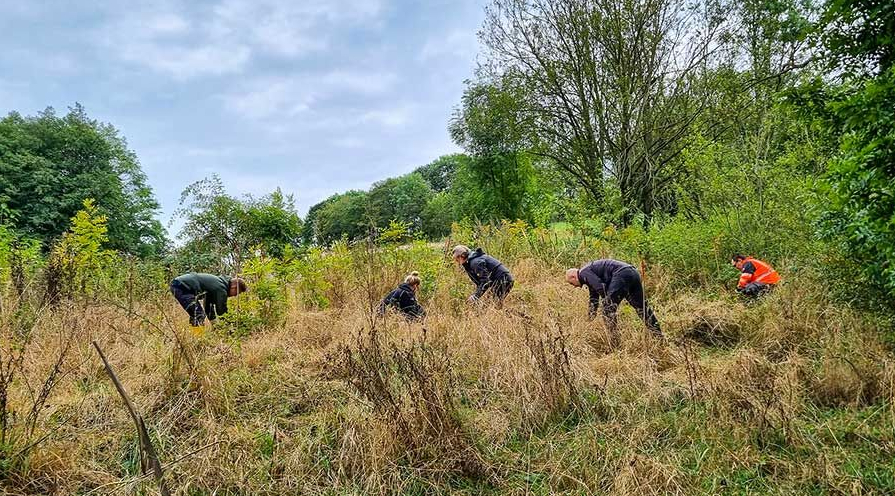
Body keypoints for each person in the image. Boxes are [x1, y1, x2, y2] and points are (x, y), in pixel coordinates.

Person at [565, 259, 662, 346]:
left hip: (622, 274)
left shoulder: (584, 273)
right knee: (642, 309)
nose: (574, 286)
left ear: (573, 277)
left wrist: (607, 302)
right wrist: (590, 318)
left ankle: (614, 342)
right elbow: (593, 299)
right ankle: (659, 337)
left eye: (571, 283)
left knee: (608, 309)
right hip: (633, 272)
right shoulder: (587, 275)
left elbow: (601, 288)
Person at [170, 273, 247, 326]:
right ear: (234, 287)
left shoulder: (218, 285)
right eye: (237, 293)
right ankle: (197, 339)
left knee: (196, 313)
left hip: (179, 284)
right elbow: (222, 311)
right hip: (182, 286)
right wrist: (229, 327)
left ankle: (194, 337)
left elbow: (208, 307)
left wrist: (214, 323)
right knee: (198, 314)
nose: (235, 295)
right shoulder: (221, 289)